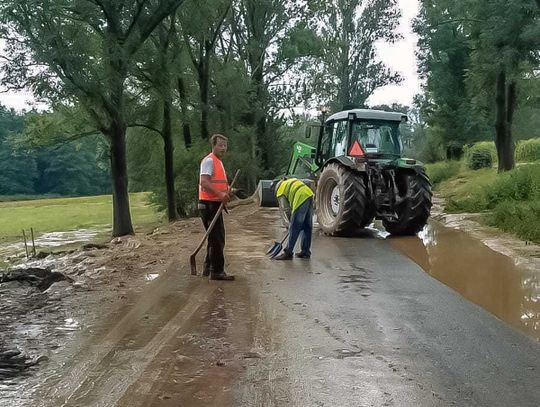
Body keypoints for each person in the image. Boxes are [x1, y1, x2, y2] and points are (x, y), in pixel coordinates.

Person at [198, 134, 235, 280]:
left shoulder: (218, 162)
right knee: (217, 239)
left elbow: (216, 182)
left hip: (213, 203)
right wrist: (220, 194)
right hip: (209, 205)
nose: (223, 148)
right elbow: (204, 182)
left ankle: (208, 268)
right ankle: (217, 271)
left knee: (215, 238)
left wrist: (227, 191)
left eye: (225, 146)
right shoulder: (209, 161)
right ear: (213, 145)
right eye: (220, 145)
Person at [272, 178, 314, 260]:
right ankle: (305, 252)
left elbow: (286, 209)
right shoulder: (288, 182)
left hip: (300, 197)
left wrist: (291, 222)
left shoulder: (280, 191)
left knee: (294, 227)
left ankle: (288, 252)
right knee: (307, 226)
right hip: (309, 194)